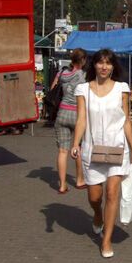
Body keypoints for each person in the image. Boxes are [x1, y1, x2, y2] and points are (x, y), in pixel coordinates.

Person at [71, 49, 132, 259]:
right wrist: (76, 143)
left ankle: (106, 240)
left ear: (113, 67)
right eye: (100, 63)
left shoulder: (122, 88)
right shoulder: (83, 89)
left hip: (118, 148)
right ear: (93, 65)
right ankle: (97, 214)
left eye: (108, 63)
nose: (104, 67)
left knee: (112, 193)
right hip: (93, 150)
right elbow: (82, 119)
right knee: (95, 196)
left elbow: (126, 120)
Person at [52, 48, 87, 194]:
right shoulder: (83, 75)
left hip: (62, 113)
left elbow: (53, 87)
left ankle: (62, 185)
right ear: (83, 60)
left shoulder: (62, 73)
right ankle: (79, 180)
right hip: (78, 114)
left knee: (62, 151)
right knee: (77, 148)